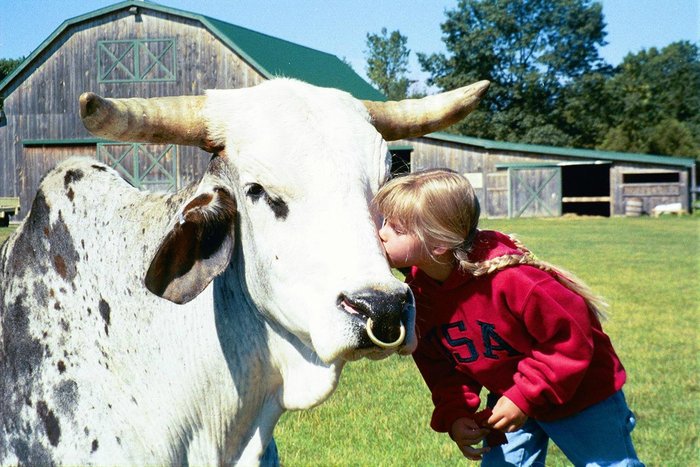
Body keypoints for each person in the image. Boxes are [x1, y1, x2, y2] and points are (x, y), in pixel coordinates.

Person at [373, 168, 643, 466]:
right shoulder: (420, 297)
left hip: (583, 396)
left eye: (397, 229)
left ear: (438, 244)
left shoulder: (515, 281)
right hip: (510, 398)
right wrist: (456, 413)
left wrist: (523, 396)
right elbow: (442, 367)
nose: (381, 233)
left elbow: (571, 340)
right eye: (385, 222)